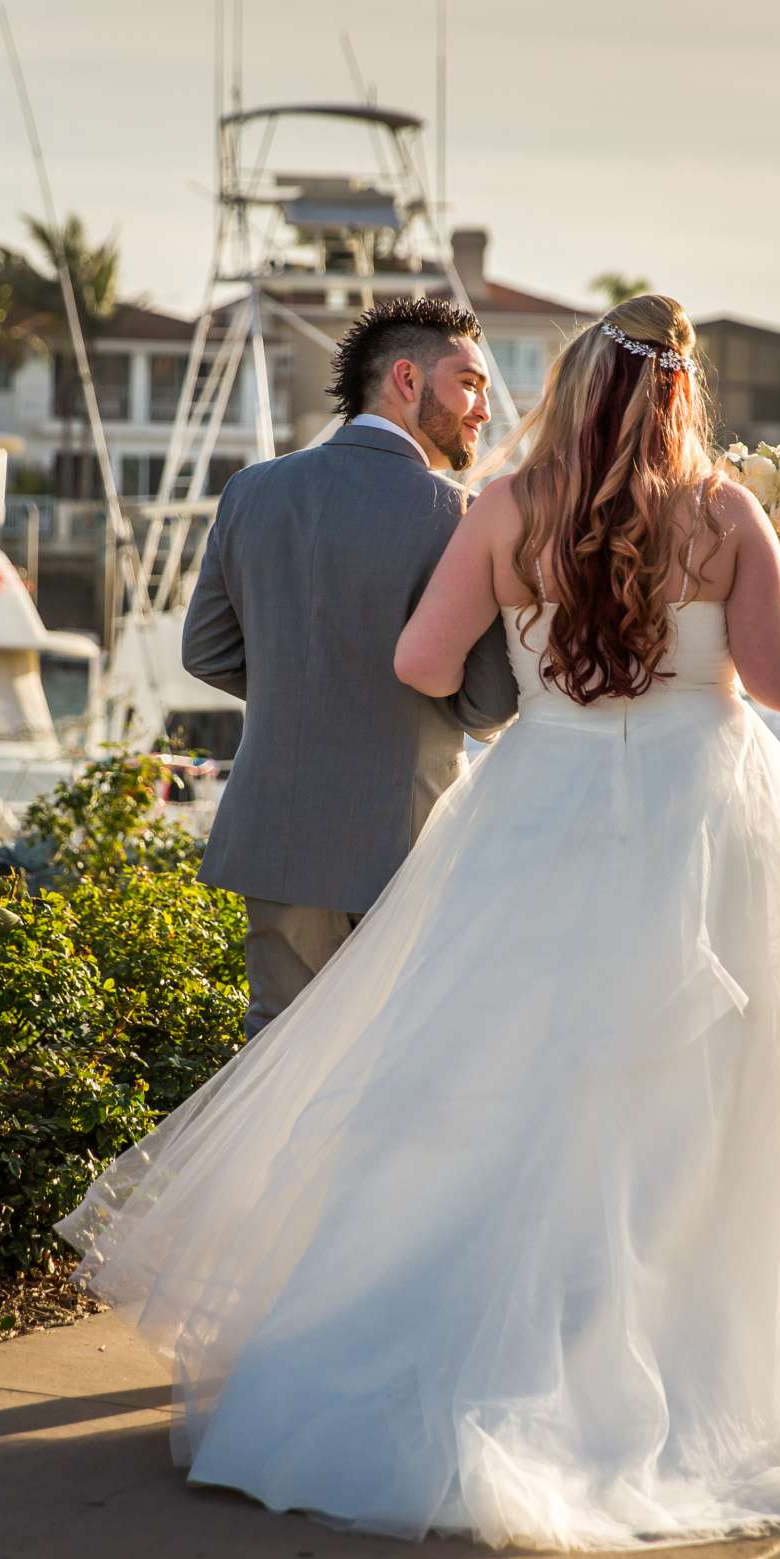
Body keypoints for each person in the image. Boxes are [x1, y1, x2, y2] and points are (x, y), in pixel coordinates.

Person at [59, 294, 780, 1553]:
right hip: (697, 821)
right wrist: (753, 581)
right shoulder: (724, 513)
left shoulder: (509, 509)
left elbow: (421, 662)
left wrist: (543, 674)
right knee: (700, 1100)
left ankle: (407, 1338)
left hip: (545, 804)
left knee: (494, 1084)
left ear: (569, 389)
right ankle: (684, 1370)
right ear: (683, 397)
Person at [181, 295, 519, 1039]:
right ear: (406, 378)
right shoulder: (453, 514)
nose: (483, 411)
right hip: (401, 839)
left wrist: (302, 689)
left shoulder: (252, 491)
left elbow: (204, 652)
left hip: (274, 831)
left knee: (274, 1047)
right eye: (469, 384)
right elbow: (487, 704)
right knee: (390, 1054)